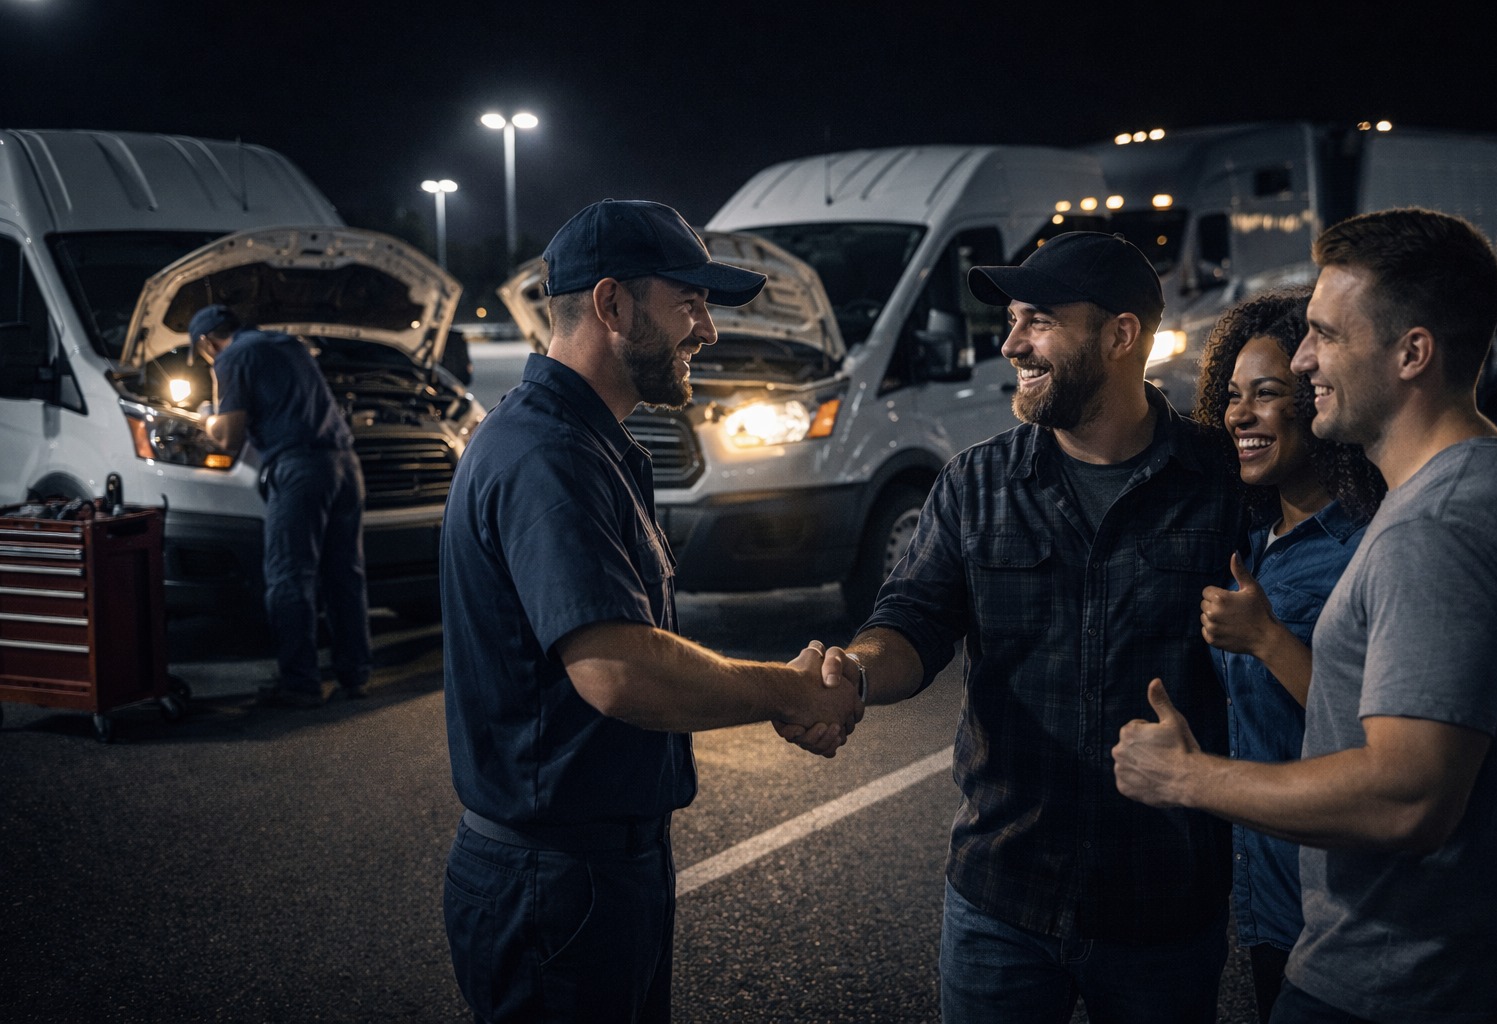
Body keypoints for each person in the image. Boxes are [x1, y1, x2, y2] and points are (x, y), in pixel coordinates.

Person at [786, 232, 1246, 1023]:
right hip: (1003, 897)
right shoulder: (976, 483)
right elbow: (912, 620)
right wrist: (853, 674)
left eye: (1039, 320)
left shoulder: (1221, 481)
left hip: (1162, 901)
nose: (1011, 344)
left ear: (1120, 335)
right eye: (1011, 320)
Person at [438, 199, 862, 1024]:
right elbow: (620, 672)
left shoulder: (581, 441)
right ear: (612, 304)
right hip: (556, 884)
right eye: (689, 303)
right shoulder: (551, 455)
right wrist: (792, 691)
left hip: (587, 872)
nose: (708, 330)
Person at [1113, 207, 1497, 1023]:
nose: (1306, 360)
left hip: (1395, 982)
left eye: (1326, 335)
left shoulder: (1437, 526)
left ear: (1412, 353)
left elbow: (1408, 799)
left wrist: (1187, 776)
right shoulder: (1487, 481)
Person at [1190, 289, 1384, 1023]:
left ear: (1317, 400)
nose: (1239, 415)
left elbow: (1382, 740)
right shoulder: (1252, 543)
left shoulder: (1363, 549)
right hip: (1266, 897)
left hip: (1343, 904)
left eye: (1266, 394)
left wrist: (1269, 641)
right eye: (1232, 396)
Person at [191, 303, 370, 708]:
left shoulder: (232, 357)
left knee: (289, 577)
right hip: (345, 465)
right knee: (345, 576)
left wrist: (207, 417)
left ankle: (300, 684)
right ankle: (355, 675)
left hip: (299, 470)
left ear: (206, 342)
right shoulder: (289, 344)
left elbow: (229, 437)